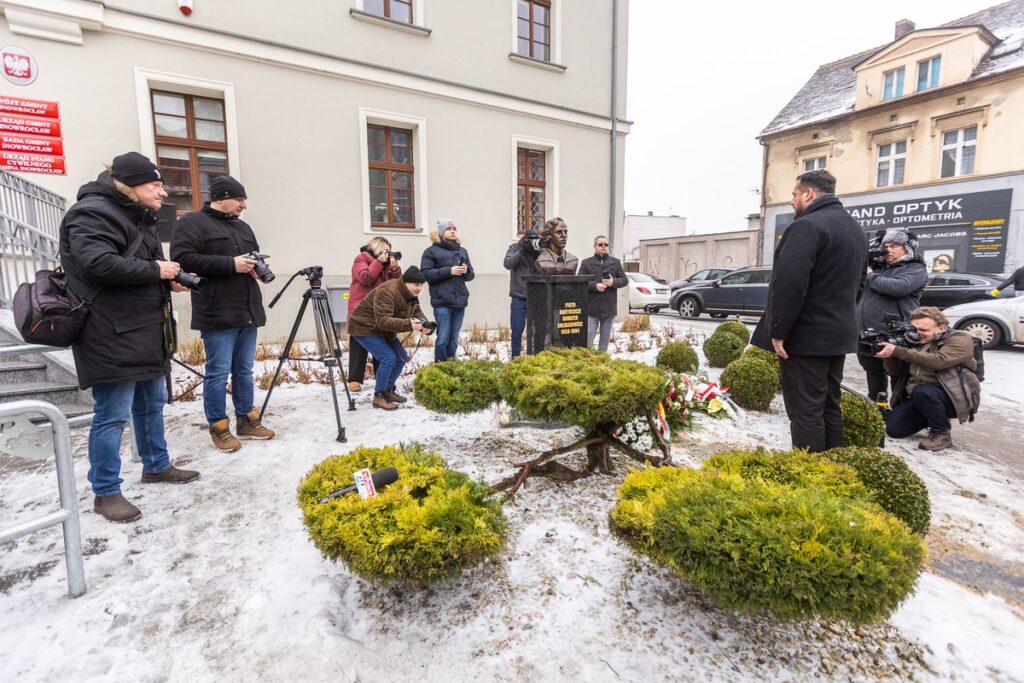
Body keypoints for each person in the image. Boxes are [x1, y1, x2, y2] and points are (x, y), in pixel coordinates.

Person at [58, 152, 199, 523]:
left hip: (145, 329)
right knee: (111, 415)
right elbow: (97, 263)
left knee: (152, 403)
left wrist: (166, 279)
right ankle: (105, 492)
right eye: (155, 184)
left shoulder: (139, 216)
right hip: (109, 332)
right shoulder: (91, 212)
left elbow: (138, 269)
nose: (163, 192)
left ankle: (156, 465)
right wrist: (155, 269)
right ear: (130, 185)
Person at [751, 169, 868, 453]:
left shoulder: (806, 226)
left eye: (793, 195)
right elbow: (861, 283)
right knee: (829, 404)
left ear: (808, 193)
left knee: (805, 409)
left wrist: (778, 331)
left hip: (805, 336)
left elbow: (789, 284)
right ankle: (833, 467)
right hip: (836, 334)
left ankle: (810, 475)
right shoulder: (854, 229)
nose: (791, 201)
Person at [170, 174, 276, 452]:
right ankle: (219, 427)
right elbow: (182, 259)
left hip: (247, 309)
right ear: (222, 197)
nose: (243, 205)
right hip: (216, 311)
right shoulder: (191, 224)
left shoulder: (243, 227)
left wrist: (254, 267)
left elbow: (251, 256)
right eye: (239, 200)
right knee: (217, 373)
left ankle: (247, 421)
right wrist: (230, 264)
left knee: (244, 370)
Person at [876, 306, 980, 451]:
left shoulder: (960, 339)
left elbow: (939, 361)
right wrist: (889, 356)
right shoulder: (912, 340)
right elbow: (896, 374)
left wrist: (899, 351)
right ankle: (930, 416)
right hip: (918, 397)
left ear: (942, 327)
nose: (917, 334)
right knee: (893, 429)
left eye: (923, 330)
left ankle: (942, 433)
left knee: (923, 391)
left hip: (952, 397)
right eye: (914, 328)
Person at [855, 230, 927, 402]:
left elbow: (898, 287)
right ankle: (877, 406)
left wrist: (870, 274)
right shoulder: (880, 268)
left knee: (897, 375)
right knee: (873, 372)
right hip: (867, 333)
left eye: (894, 246)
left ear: (907, 248)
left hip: (894, 335)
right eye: (886, 246)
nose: (888, 250)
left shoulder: (915, 269)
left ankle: (898, 410)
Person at [347, 266, 430, 410]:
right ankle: (379, 396)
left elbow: (417, 313)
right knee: (388, 358)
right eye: (416, 284)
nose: (419, 288)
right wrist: (409, 324)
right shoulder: (388, 291)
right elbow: (383, 320)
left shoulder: (410, 295)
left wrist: (425, 325)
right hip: (364, 327)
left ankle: (387, 390)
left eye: (421, 285)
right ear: (406, 282)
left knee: (401, 357)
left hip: (384, 331)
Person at [347, 237, 402, 391]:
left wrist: (394, 269)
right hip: (360, 311)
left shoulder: (384, 266)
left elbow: (395, 285)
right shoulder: (361, 259)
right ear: (376, 247)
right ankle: (355, 379)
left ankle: (381, 377)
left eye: (388, 250)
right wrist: (378, 262)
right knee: (358, 343)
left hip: (379, 310)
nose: (387, 253)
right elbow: (365, 278)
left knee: (381, 341)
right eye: (384, 250)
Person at [421, 219, 474, 362]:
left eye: (454, 228)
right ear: (441, 233)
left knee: (453, 340)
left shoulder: (462, 251)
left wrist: (466, 270)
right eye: (448, 228)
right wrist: (448, 271)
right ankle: (440, 367)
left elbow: (471, 275)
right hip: (442, 303)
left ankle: (451, 367)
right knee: (443, 339)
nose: (452, 231)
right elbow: (425, 274)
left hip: (460, 302)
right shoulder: (431, 251)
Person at [577, 234, 627, 351]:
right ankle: (587, 363)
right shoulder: (586, 263)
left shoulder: (615, 262)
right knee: (587, 342)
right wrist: (595, 285)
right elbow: (579, 282)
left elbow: (624, 280)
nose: (603, 247)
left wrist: (613, 282)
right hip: (591, 308)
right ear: (594, 247)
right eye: (600, 244)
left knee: (604, 344)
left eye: (606, 244)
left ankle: (602, 365)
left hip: (608, 309)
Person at [503, 228, 542, 357]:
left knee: (537, 331)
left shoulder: (539, 250)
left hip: (536, 296)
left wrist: (538, 252)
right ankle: (516, 359)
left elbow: (546, 267)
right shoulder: (515, 247)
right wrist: (522, 250)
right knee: (517, 330)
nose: (533, 243)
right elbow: (508, 264)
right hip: (518, 296)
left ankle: (535, 358)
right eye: (531, 240)